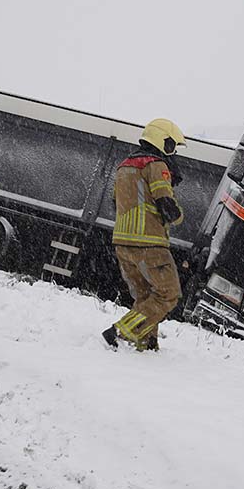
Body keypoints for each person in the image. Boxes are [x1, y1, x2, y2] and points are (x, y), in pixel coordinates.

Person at [101, 119, 187, 352]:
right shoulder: (156, 165)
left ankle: (147, 344)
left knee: (145, 296)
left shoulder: (124, 165)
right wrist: (178, 216)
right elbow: (167, 206)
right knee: (168, 293)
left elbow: (114, 202)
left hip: (122, 242)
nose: (173, 152)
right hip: (149, 244)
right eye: (172, 146)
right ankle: (119, 331)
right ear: (162, 140)